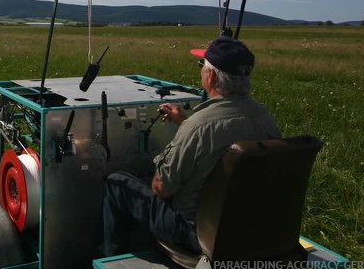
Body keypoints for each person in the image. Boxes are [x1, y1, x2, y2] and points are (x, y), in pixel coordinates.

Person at [101, 36, 281, 257]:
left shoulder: (199, 126)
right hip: (248, 228)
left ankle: (113, 259)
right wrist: (185, 123)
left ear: (211, 76)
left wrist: (186, 133)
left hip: (197, 234)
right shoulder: (266, 118)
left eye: (202, 66)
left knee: (117, 183)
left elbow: (161, 188)